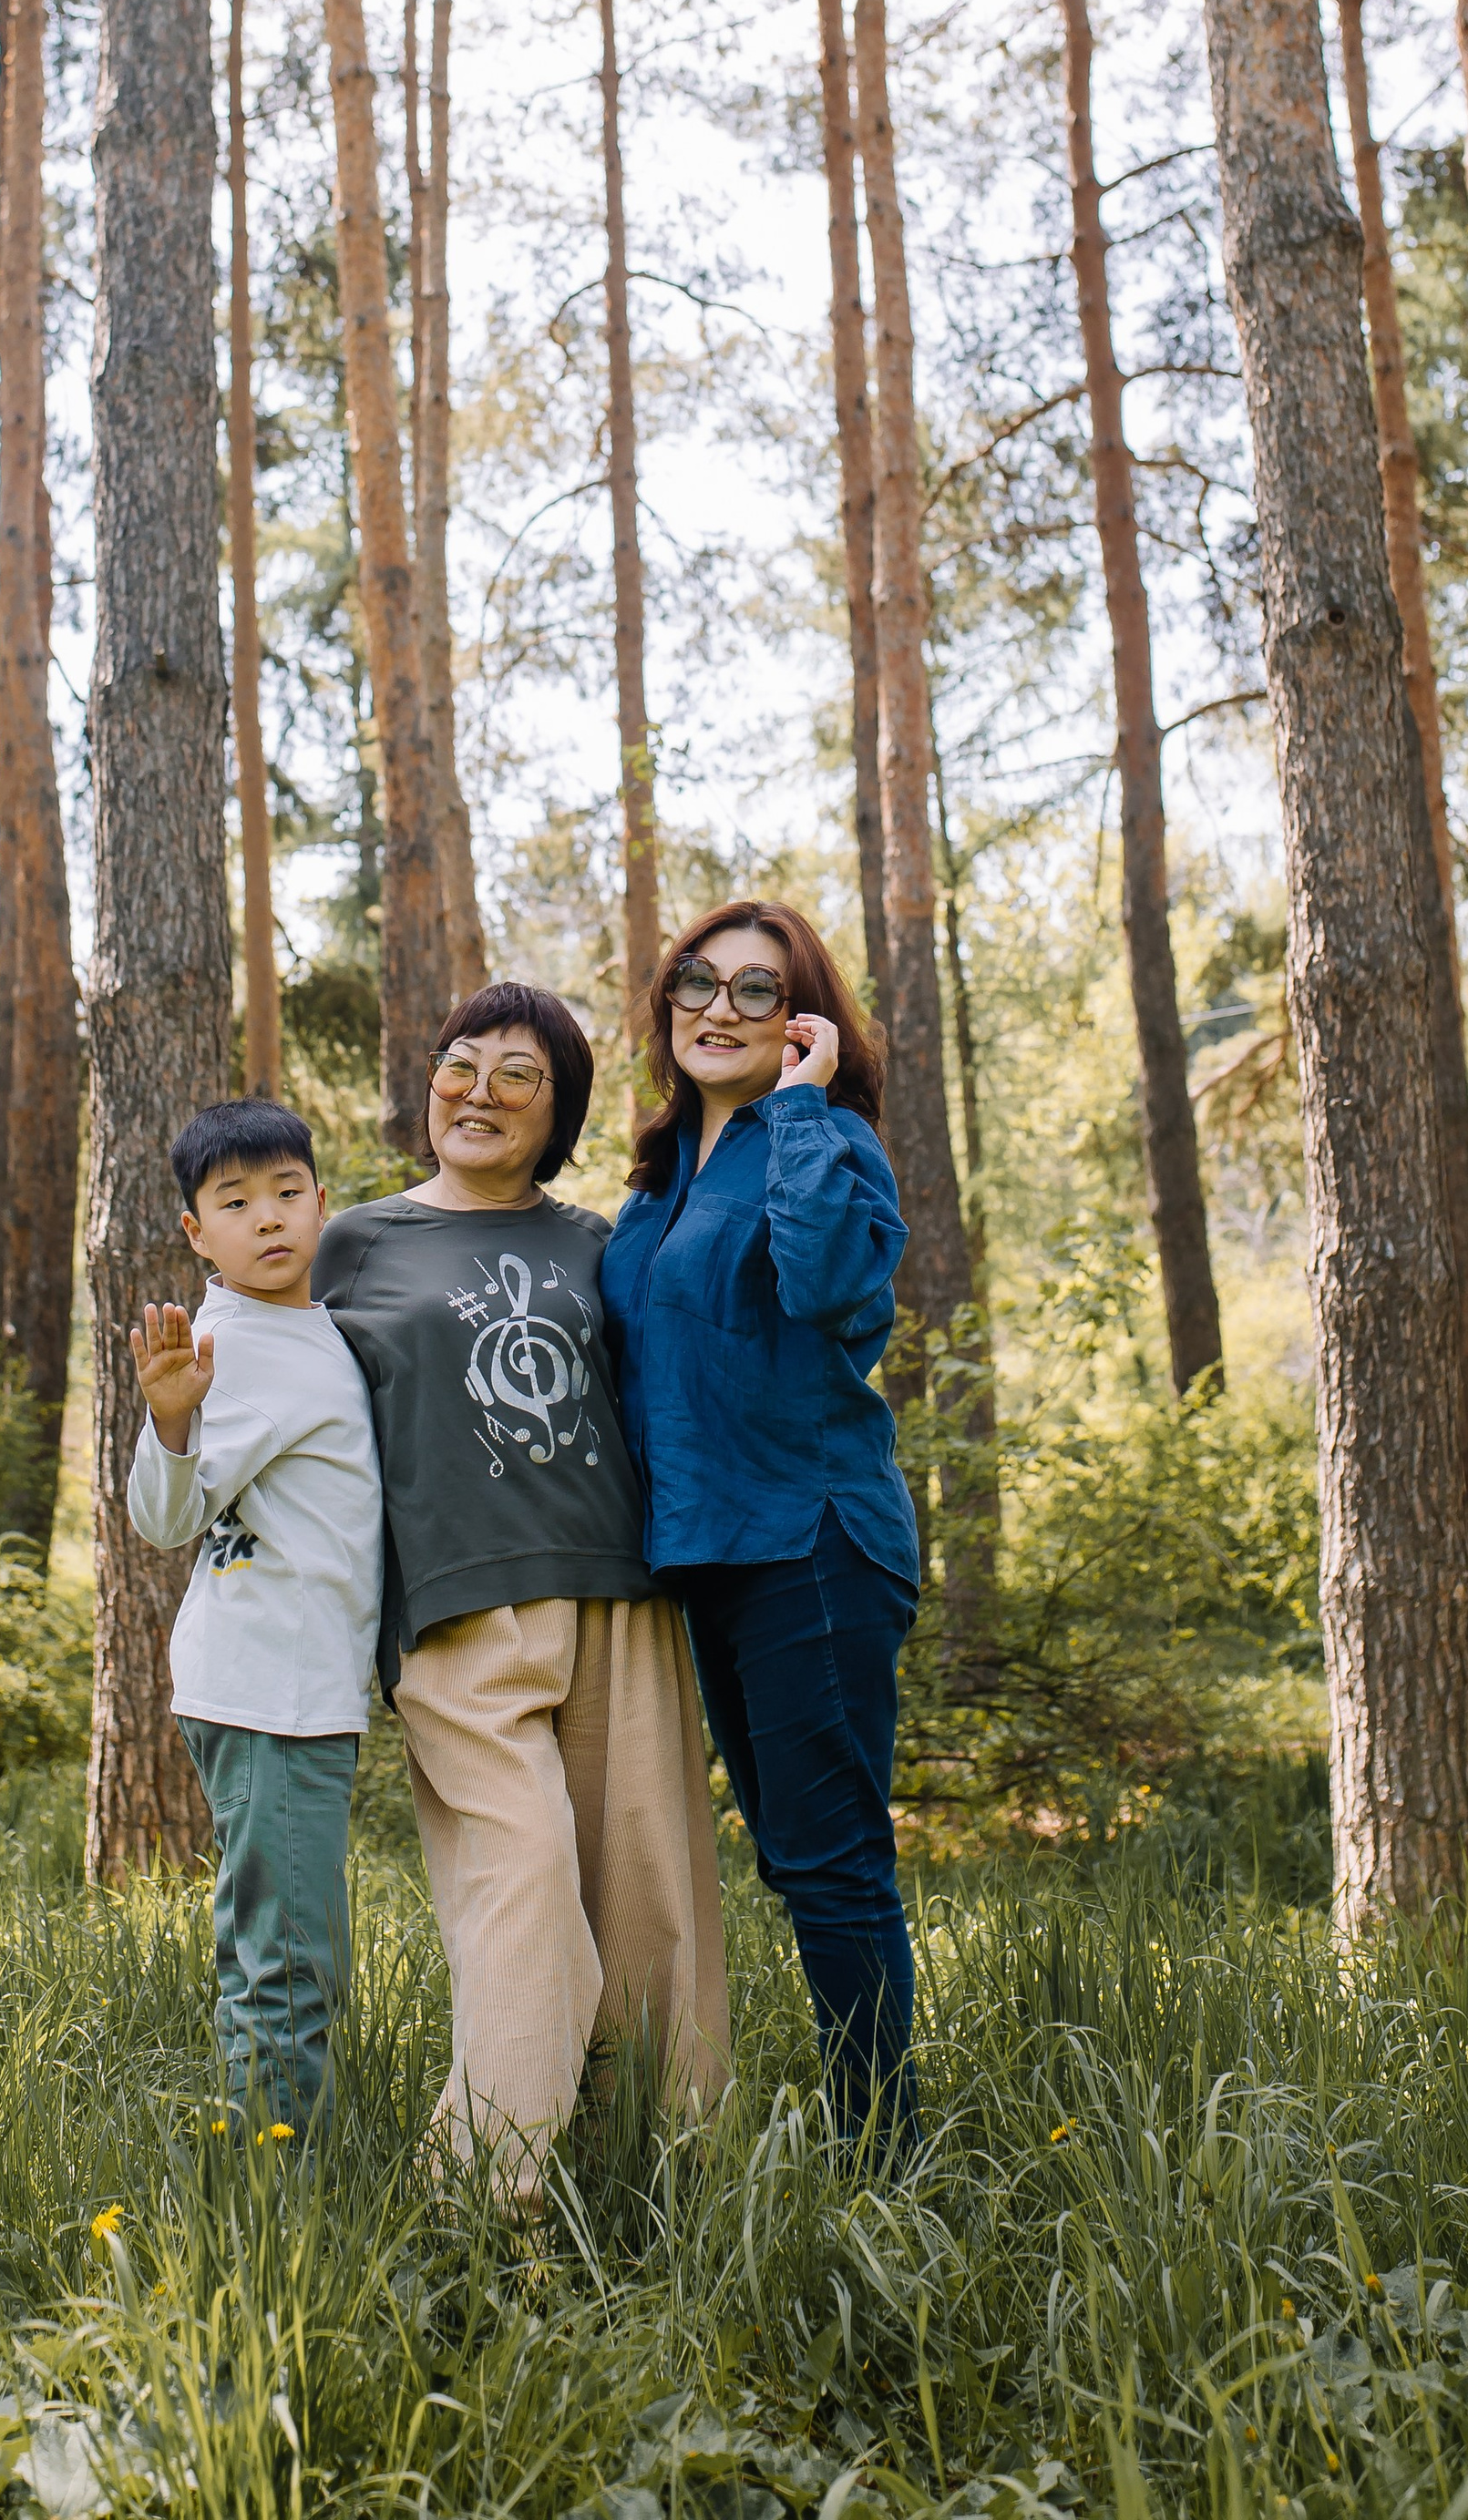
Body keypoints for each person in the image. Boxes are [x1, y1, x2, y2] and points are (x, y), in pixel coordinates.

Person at [313, 982, 728, 2197]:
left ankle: (660, 2182)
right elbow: (293, 1417)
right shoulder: (357, 1241)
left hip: (620, 1600)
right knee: (528, 1889)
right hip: (454, 1619)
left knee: (650, 1912)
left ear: (561, 1119)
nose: (479, 1091)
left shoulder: (599, 1243)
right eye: (461, 1062)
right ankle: (487, 2200)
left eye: (518, 1076)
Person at [600, 900, 919, 2145]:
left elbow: (831, 1283)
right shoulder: (661, 1175)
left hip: (812, 1541)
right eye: (698, 980)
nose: (718, 1007)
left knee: (832, 1863)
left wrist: (796, 1106)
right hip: (709, 1553)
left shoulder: (828, 1143)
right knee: (794, 1863)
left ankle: (881, 2160)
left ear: (805, 1025)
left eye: (756, 990)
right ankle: (862, 2130)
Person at [126, 1098, 382, 2133]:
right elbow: (163, 1517)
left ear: (322, 1203)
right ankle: (282, 2219)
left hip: (298, 1686)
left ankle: (281, 2183)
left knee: (290, 1946)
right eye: (235, 1203)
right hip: (269, 1690)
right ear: (197, 1233)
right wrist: (171, 1419)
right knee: (284, 1967)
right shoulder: (229, 1341)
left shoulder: (308, 1327)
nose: (267, 1219)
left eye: (286, 1194)